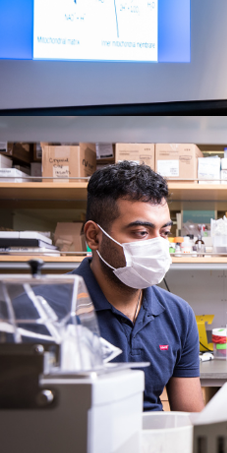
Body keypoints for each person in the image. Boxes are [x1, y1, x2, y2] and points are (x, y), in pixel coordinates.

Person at [70, 161, 203, 412]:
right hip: (80, 444)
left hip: (153, 443)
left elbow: (190, 418)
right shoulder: (48, 308)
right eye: (141, 232)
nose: (158, 245)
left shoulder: (178, 314)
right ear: (94, 236)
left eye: (163, 232)